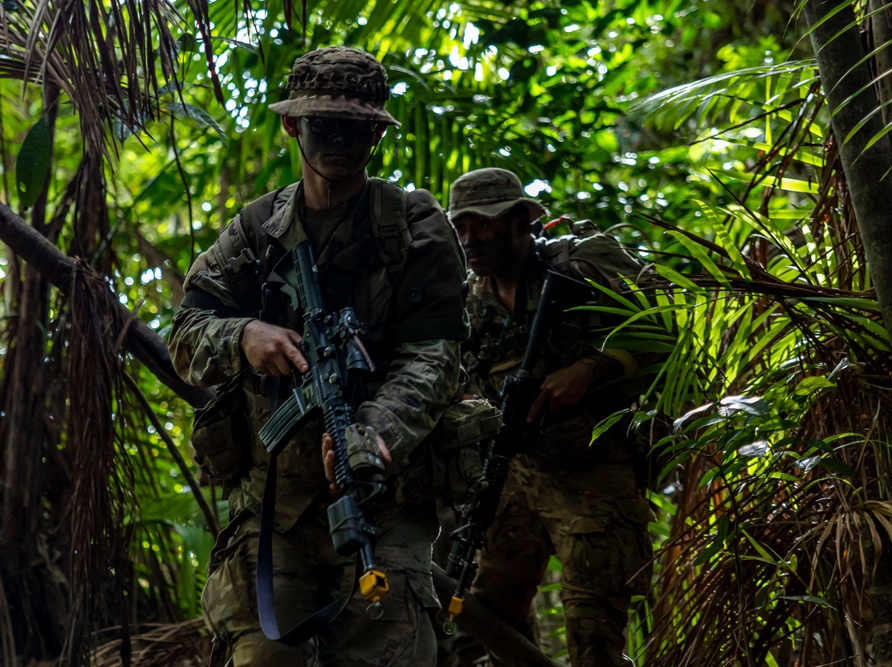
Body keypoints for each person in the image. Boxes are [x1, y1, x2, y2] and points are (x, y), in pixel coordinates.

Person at [169, 46, 468, 666]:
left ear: (376, 133)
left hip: (381, 502)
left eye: (355, 128)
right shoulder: (256, 230)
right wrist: (245, 335)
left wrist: (376, 432)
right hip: (273, 512)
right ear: (290, 125)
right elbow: (187, 332)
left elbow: (433, 356)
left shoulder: (415, 227)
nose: (339, 140)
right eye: (322, 125)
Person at [447, 168, 653, 667]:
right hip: (514, 473)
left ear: (520, 223)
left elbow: (665, 326)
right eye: (463, 227)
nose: (471, 239)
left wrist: (590, 368)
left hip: (594, 473)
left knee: (594, 634)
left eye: (484, 225)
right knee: (487, 620)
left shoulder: (581, 268)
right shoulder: (470, 305)